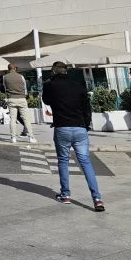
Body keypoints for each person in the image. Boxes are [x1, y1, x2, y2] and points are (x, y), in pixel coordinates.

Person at [42, 62, 105, 212]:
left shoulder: (50, 85)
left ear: (53, 71)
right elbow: (86, 106)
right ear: (66, 71)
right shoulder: (78, 85)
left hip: (62, 127)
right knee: (85, 162)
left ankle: (66, 195)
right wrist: (86, 124)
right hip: (80, 127)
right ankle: (97, 199)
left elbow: (46, 101)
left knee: (63, 160)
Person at [2, 64, 36, 143]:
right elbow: (25, 88)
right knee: (26, 118)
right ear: (15, 68)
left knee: (13, 119)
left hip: (11, 99)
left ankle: (13, 137)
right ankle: (31, 137)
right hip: (21, 98)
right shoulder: (21, 76)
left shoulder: (4, 77)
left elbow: (5, 88)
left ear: (8, 69)